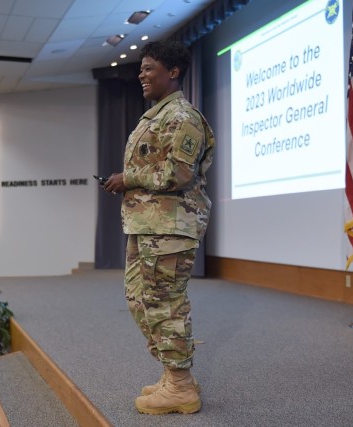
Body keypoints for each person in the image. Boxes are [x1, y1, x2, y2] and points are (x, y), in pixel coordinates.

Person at [103, 40, 215, 415]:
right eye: (140, 68)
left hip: (171, 227)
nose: (141, 75)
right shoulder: (157, 115)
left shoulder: (182, 117)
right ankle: (174, 374)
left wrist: (127, 177)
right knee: (140, 300)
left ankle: (181, 387)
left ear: (173, 72)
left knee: (164, 303)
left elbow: (180, 173)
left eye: (149, 68)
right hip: (148, 225)